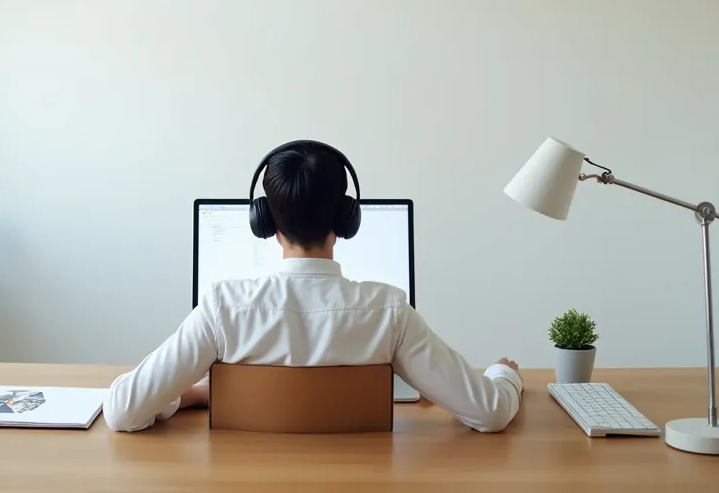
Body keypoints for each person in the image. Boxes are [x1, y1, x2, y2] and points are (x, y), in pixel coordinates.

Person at [103, 140, 523, 432]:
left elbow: (122, 411)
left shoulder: (222, 307)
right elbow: (490, 414)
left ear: (265, 221)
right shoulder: (390, 311)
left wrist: (184, 396)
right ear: (345, 218)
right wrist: (504, 374)